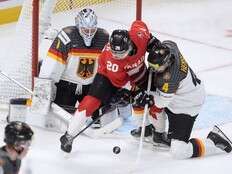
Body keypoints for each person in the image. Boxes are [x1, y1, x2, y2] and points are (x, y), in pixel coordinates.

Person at [59, 20, 157, 153]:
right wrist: (133, 93)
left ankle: (145, 128)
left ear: (129, 45)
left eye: (121, 53)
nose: (118, 56)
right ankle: (69, 134)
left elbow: (138, 23)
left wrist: (152, 40)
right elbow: (121, 83)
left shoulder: (139, 36)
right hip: (107, 76)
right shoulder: (113, 61)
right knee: (92, 100)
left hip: (138, 72)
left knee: (151, 96)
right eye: (115, 53)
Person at [131, 39, 232, 159]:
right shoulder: (170, 48)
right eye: (151, 66)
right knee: (143, 94)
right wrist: (151, 41)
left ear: (167, 63)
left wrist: (148, 99)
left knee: (179, 151)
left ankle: (215, 142)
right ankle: (157, 133)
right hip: (178, 96)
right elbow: (169, 42)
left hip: (186, 106)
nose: (152, 70)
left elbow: (161, 103)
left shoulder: (169, 78)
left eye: (156, 67)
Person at [38, 8, 109, 127]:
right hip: (67, 85)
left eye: (92, 29)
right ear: (78, 25)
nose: (89, 32)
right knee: (59, 122)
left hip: (91, 86)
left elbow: (110, 64)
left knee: (101, 118)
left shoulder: (104, 38)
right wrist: (44, 90)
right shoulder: (67, 36)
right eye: (85, 29)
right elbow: (52, 65)